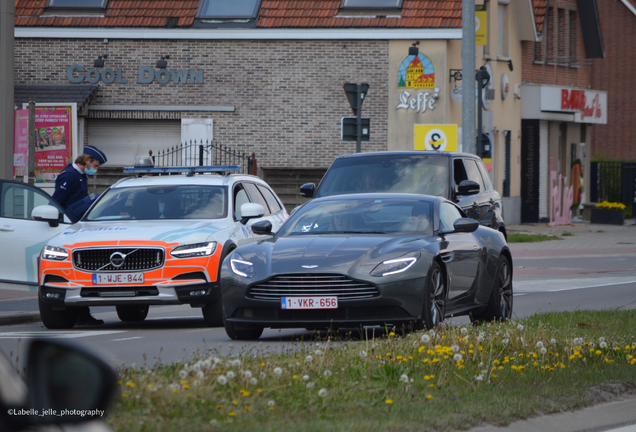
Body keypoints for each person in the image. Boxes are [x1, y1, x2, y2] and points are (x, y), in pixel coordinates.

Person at [52, 145, 108, 326]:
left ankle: (83, 315)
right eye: (96, 165)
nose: (96, 169)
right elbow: (57, 202)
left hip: (79, 226)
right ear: (87, 161)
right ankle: (81, 316)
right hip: (69, 225)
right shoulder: (69, 176)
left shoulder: (81, 176)